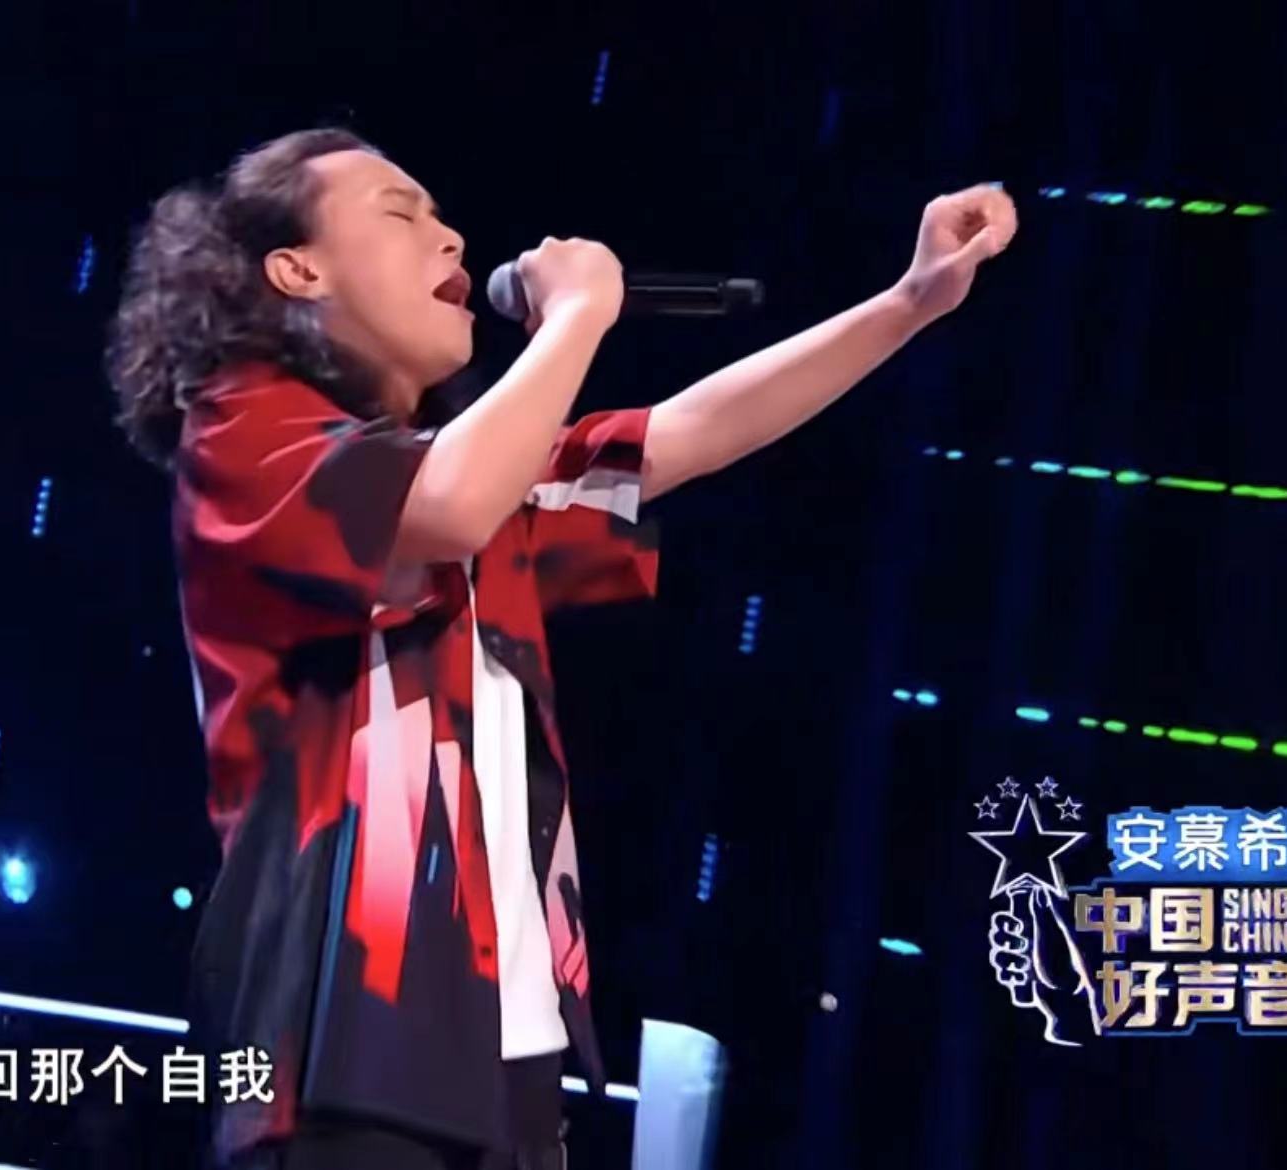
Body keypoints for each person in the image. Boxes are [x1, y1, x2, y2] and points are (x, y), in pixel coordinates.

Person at [109, 128, 1014, 1169]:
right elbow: (449, 503)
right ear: (297, 270)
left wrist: (909, 302)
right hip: (341, 1044)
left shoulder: (477, 478)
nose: (449, 237)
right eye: (400, 214)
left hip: (503, 1065)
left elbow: (684, 433)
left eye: (441, 214)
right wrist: (579, 314)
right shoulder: (243, 431)